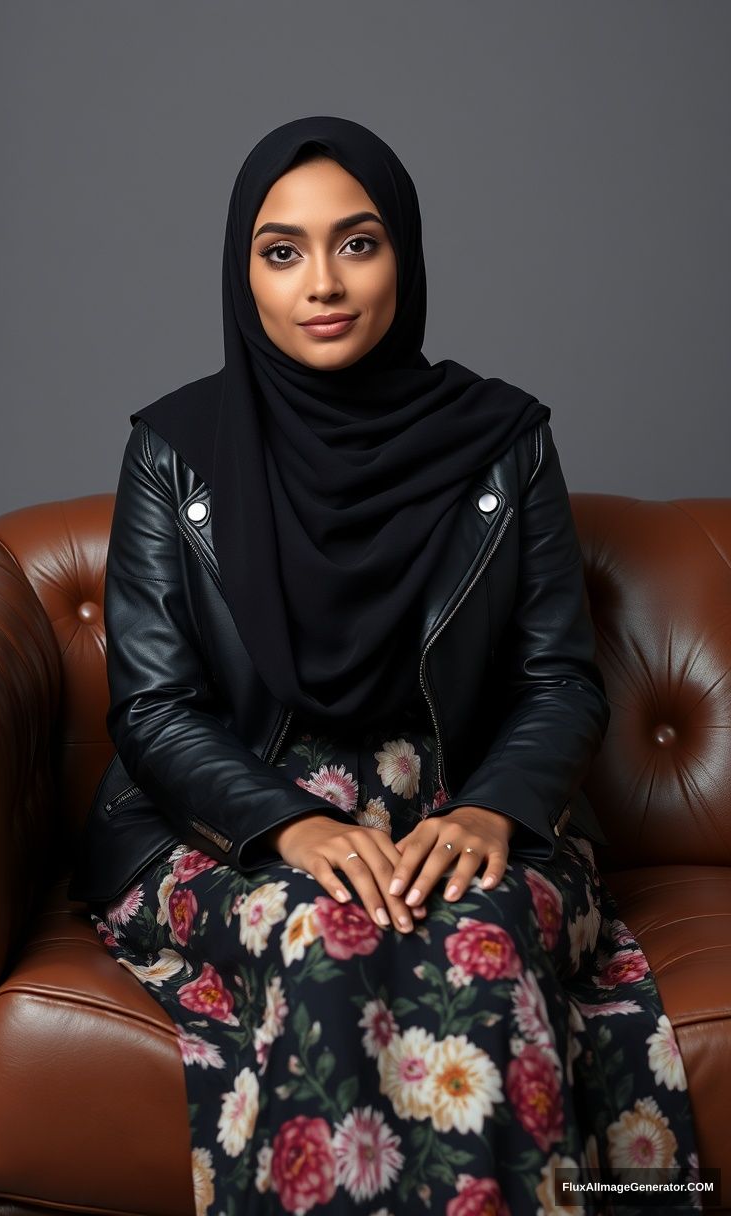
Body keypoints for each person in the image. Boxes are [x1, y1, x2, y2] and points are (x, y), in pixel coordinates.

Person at [76, 116, 702, 1215]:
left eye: (356, 243)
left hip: (454, 806)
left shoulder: (504, 439)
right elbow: (157, 706)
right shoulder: (175, 450)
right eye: (282, 251)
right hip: (230, 822)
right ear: (245, 270)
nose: (322, 281)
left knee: (479, 942)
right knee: (325, 937)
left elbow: (559, 678)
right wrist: (291, 827)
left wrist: (494, 813)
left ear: (402, 255)